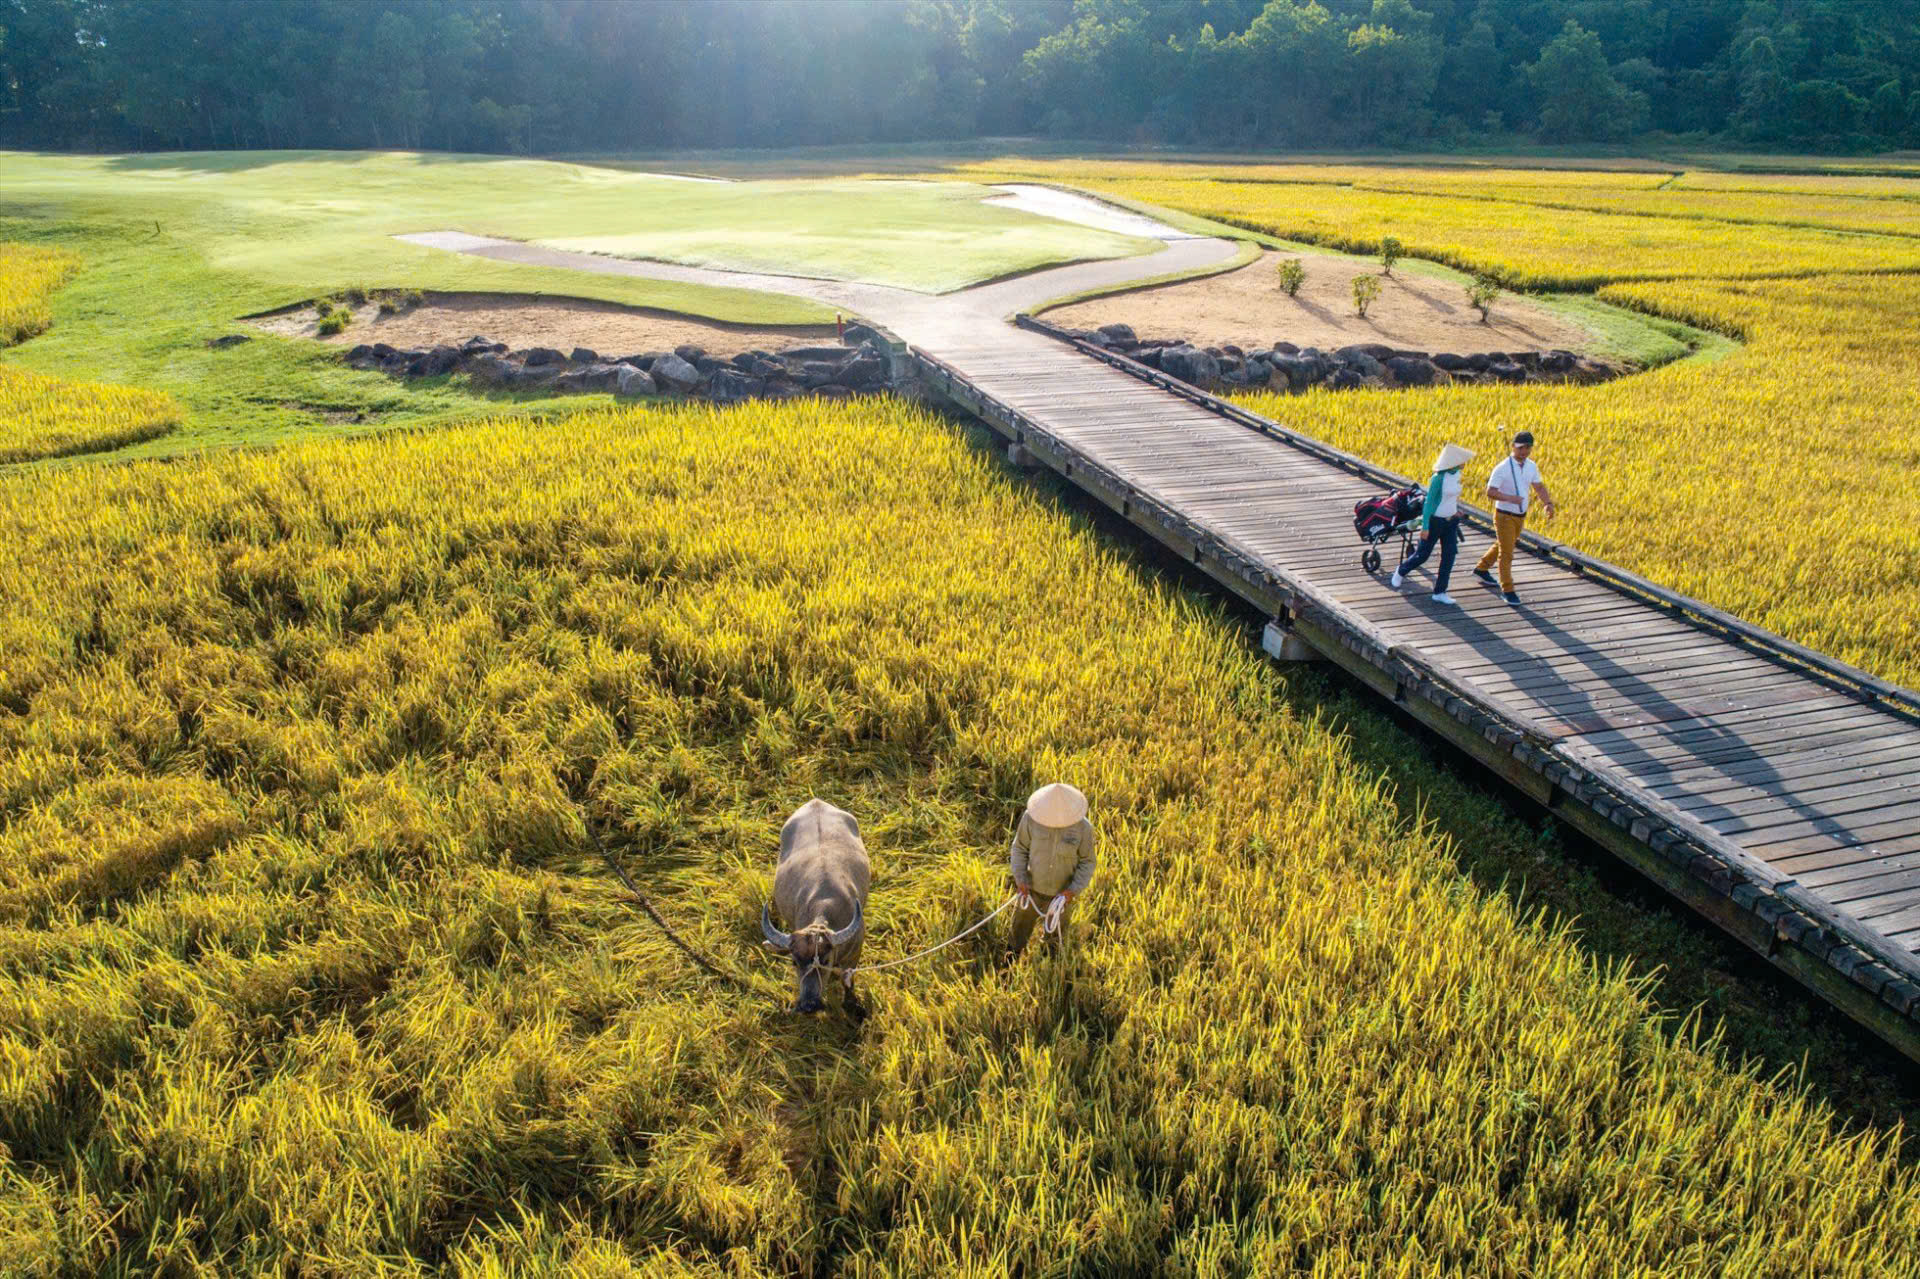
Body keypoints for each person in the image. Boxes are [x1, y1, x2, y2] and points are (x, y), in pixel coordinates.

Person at [1006, 782, 1096, 958]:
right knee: (1018, 932)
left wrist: (1072, 890)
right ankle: (1009, 965)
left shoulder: (1083, 828)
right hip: (1030, 892)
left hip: (1061, 898)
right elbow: (1019, 849)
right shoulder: (1030, 819)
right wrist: (1021, 878)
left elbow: (1087, 862)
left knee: (1054, 942)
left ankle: (1049, 971)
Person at [1473, 429, 1557, 605]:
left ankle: (1482, 568)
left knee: (1505, 543)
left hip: (1520, 515)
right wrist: (1510, 498)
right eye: (1521, 448)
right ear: (1513, 447)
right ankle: (1508, 590)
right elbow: (1490, 492)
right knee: (1507, 553)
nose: (1524, 452)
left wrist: (1548, 503)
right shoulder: (1502, 468)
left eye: (1527, 448)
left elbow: (1539, 487)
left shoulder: (1531, 466)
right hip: (1504, 515)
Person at [1390, 443, 1474, 605]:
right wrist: (1426, 526)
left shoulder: (1456, 475)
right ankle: (1401, 571)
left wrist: (1455, 511)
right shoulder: (1438, 479)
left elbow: (1451, 498)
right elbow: (1429, 505)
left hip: (1451, 522)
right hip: (1435, 521)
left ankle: (1440, 591)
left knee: (1449, 556)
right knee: (1423, 554)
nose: (1464, 463)